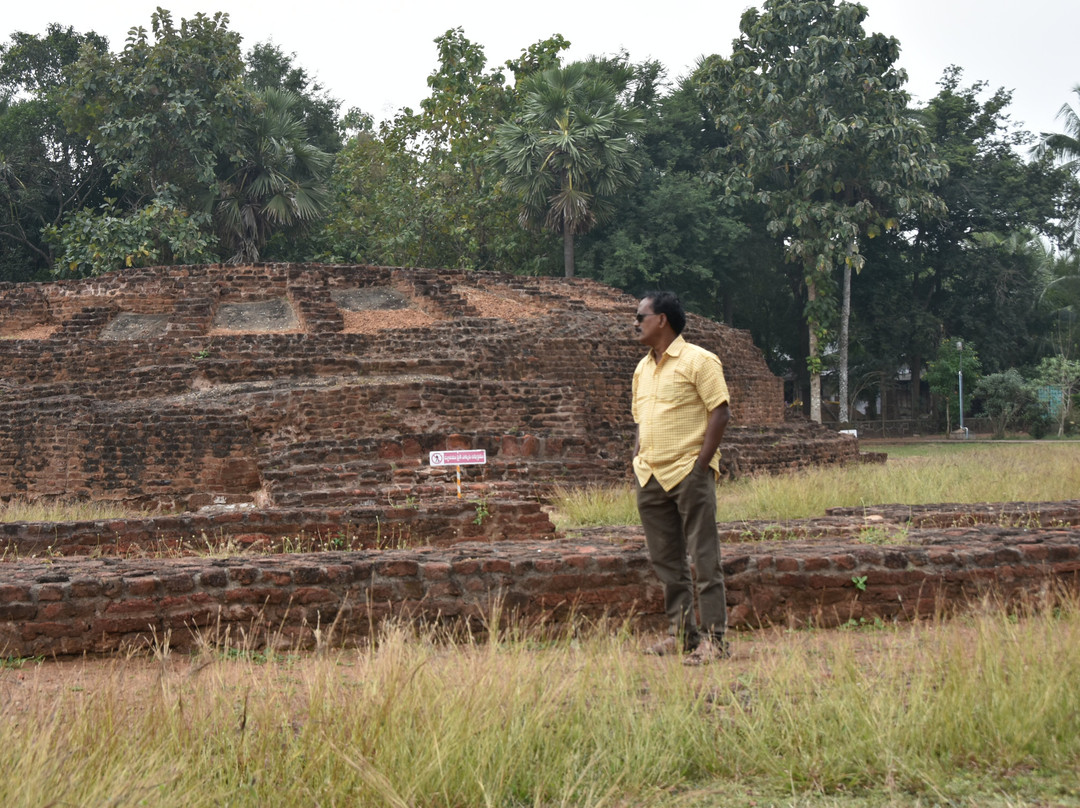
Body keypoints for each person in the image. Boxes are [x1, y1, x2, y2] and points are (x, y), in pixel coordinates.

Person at [631, 291, 731, 665]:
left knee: (704, 559)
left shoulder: (699, 361)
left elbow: (720, 413)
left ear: (662, 320)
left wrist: (701, 466)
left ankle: (715, 640)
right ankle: (682, 635)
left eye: (641, 316)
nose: (635, 322)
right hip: (651, 474)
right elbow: (639, 419)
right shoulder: (642, 368)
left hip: (688, 472)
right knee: (667, 562)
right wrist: (637, 454)